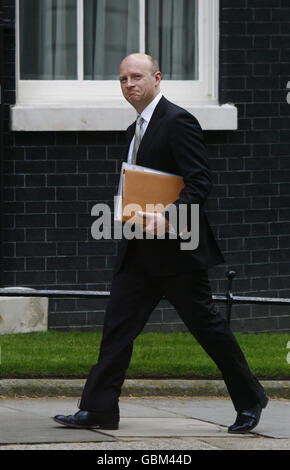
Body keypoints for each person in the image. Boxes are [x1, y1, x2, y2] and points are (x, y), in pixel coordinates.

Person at [53, 53, 268, 434]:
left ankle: (251, 399)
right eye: (122, 79)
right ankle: (99, 409)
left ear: (157, 78)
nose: (129, 84)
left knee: (208, 329)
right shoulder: (133, 129)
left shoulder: (178, 121)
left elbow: (199, 182)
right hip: (137, 248)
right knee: (117, 328)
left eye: (136, 76)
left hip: (177, 252)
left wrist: (166, 216)